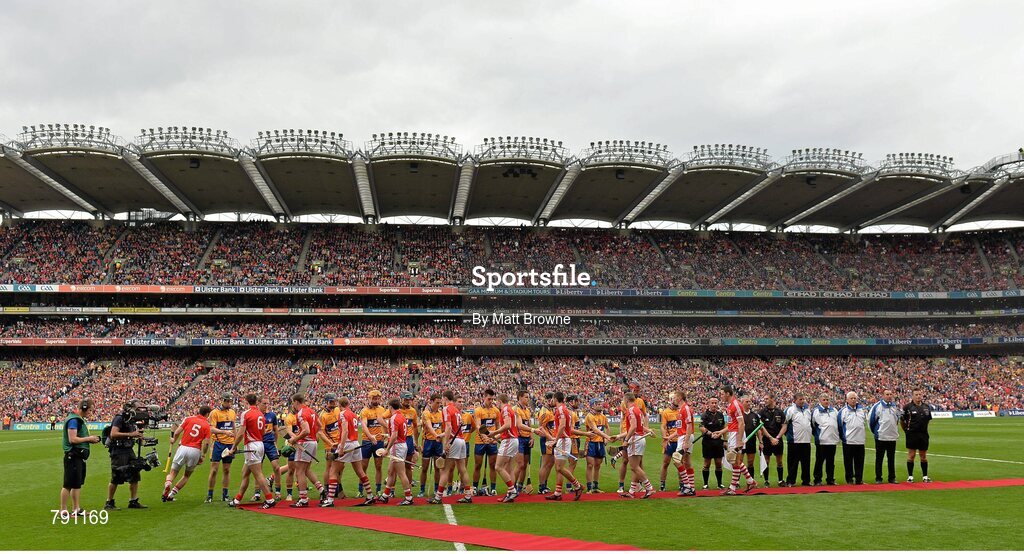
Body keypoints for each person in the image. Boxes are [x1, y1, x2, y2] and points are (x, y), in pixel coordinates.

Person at [225, 394, 276, 509]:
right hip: (260, 443)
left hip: (251, 446)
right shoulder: (261, 414)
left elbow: (241, 433)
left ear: (246, 401)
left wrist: (233, 448)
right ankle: (237, 499)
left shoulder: (246, 414)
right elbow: (263, 432)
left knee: (258, 474)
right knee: (245, 473)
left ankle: (269, 499)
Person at [326, 397, 373, 506]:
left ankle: (330, 500)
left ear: (339, 405)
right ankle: (370, 495)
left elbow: (345, 430)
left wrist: (341, 447)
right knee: (360, 471)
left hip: (346, 443)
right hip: (355, 443)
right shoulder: (353, 414)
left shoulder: (342, 414)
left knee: (333, 471)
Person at [429, 390, 472, 504]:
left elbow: (448, 427)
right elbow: (454, 428)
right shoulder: (457, 410)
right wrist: (441, 435)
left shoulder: (446, 409)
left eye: (442, 399)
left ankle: (438, 497)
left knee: (445, 470)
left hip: (454, 441)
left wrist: (446, 443)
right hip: (461, 440)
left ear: (445, 398)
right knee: (462, 469)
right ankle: (468, 495)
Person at [162, 405, 212, 502]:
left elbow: (177, 432)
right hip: (195, 451)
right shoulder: (206, 425)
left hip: (183, 448)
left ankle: (168, 483)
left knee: (172, 473)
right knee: (186, 476)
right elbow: (206, 443)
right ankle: (171, 495)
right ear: (207, 414)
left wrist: (173, 440)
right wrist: (203, 455)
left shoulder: (188, 419)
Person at [61, 399, 100, 516]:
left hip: (78, 456)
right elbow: (72, 439)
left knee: (76, 484)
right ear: (83, 408)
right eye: (90, 410)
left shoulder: (78, 419)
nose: (91, 413)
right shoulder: (74, 420)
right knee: (68, 484)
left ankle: (76, 509)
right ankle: (63, 510)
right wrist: (89, 439)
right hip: (73, 455)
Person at [105, 400, 147, 510]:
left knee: (135, 475)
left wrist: (139, 436)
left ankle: (133, 501)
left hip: (128, 449)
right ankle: (109, 502)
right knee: (116, 477)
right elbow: (113, 434)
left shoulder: (132, 420)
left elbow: (134, 434)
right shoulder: (120, 418)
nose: (139, 411)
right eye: (137, 409)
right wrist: (131, 434)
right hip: (118, 450)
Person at [611, 392, 653, 498]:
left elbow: (633, 427)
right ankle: (632, 491)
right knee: (635, 467)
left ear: (626, 400)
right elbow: (635, 427)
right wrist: (618, 436)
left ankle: (649, 488)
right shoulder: (637, 409)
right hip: (639, 438)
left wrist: (625, 440)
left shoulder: (630, 410)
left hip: (635, 439)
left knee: (634, 467)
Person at [544, 391, 584, 501]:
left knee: (560, 468)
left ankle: (577, 486)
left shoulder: (561, 409)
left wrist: (555, 440)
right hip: (563, 439)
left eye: (552, 399)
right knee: (558, 468)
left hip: (563, 440)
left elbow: (562, 426)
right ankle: (557, 493)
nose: (551, 401)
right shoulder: (563, 409)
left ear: (555, 399)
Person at [493, 393, 531, 503]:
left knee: (498, 467)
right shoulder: (511, 410)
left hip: (509, 440)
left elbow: (507, 425)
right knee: (509, 468)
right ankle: (510, 493)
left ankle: (512, 490)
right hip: (514, 439)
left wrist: (494, 432)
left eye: (497, 402)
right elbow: (509, 428)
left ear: (499, 401)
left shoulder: (505, 410)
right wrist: (494, 437)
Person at [377, 398, 414, 506]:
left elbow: (394, 436)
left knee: (401, 473)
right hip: (402, 444)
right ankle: (385, 495)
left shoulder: (394, 418)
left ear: (390, 407)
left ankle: (408, 497)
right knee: (391, 472)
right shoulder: (402, 416)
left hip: (397, 446)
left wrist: (387, 450)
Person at [721, 386, 756, 495]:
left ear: (727, 393)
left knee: (733, 460)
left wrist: (739, 440)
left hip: (736, 434)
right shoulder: (730, 405)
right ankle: (749, 481)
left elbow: (741, 423)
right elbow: (732, 424)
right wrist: (721, 432)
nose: (721, 396)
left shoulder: (735, 404)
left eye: (722, 394)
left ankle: (733, 488)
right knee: (735, 461)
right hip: (733, 433)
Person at [287, 393, 320, 507]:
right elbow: (319, 426)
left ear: (296, 402)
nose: (293, 405)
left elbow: (305, 430)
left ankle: (303, 499)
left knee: (300, 471)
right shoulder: (312, 411)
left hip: (305, 443)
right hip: (313, 442)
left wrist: (294, 439)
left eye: (293, 403)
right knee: (306, 470)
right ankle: (321, 490)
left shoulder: (301, 413)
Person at [206, 393, 236, 503]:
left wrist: (235, 443)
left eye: (230, 401)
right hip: (218, 444)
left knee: (227, 470)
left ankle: (225, 494)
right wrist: (224, 432)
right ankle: (210, 495)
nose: (229, 403)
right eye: (227, 401)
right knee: (214, 470)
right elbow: (211, 429)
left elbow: (233, 427)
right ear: (222, 401)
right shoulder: (214, 413)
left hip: (229, 444)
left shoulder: (232, 412)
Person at [360, 390, 390, 497]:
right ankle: (361, 490)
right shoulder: (364, 411)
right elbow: (364, 425)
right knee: (363, 467)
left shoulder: (382, 409)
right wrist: (370, 437)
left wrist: (387, 437)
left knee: (379, 466)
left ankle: (378, 490)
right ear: (369, 398)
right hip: (367, 441)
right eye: (374, 398)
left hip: (379, 442)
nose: (376, 400)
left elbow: (386, 424)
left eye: (377, 398)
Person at [253, 397, 283, 501]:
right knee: (258, 469)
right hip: (259, 444)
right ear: (259, 403)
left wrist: (275, 442)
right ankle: (257, 493)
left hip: (270, 444)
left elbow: (276, 430)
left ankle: (278, 491)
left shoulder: (272, 415)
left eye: (267, 404)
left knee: (276, 467)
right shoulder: (256, 415)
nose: (266, 406)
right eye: (264, 403)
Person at [869, 389, 902, 484]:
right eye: (887, 394)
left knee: (891, 459)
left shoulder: (894, 406)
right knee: (879, 458)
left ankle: (892, 477)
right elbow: (871, 422)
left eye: (891, 394)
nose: (889, 396)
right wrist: (877, 432)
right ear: (883, 395)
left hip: (892, 437)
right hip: (881, 437)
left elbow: (897, 420)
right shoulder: (877, 406)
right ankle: (878, 478)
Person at [780, 393, 812, 487]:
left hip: (806, 441)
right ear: (795, 400)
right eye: (800, 399)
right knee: (793, 463)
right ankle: (791, 481)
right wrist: (789, 436)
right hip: (794, 441)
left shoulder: (807, 410)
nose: (802, 401)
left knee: (806, 463)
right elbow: (784, 424)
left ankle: (806, 481)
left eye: (803, 399)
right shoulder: (790, 410)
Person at [472, 389, 499, 496]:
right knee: (478, 465)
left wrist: (494, 438)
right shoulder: (478, 410)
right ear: (484, 397)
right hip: (480, 441)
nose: (491, 401)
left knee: (493, 465)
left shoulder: (496, 411)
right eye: (489, 399)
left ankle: (493, 488)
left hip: (492, 442)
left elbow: (498, 427)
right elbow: (478, 426)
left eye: (492, 399)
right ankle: (474, 487)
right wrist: (484, 437)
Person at [902, 389, 933, 483]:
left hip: (923, 435)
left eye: (920, 394)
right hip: (912, 434)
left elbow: (928, 420)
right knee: (911, 455)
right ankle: (910, 476)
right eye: (916, 394)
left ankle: (925, 476)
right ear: (912, 396)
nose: (918, 396)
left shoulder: (926, 407)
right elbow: (902, 421)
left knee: (923, 456)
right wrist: (906, 431)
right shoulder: (907, 407)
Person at [418, 393, 444, 498]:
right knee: (425, 468)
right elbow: (428, 426)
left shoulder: (441, 413)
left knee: (438, 467)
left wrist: (440, 437)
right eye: (437, 403)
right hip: (428, 442)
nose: (438, 405)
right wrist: (436, 435)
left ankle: (437, 489)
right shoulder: (426, 413)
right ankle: (422, 490)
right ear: (431, 401)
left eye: (440, 403)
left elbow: (443, 427)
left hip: (438, 443)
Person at [317, 394, 342, 502]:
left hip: (339, 443)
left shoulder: (337, 410)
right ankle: (327, 490)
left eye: (334, 402)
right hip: (330, 445)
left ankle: (337, 488)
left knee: (339, 467)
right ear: (326, 402)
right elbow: (321, 432)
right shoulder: (322, 415)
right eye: (331, 402)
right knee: (329, 468)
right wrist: (330, 443)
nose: (333, 404)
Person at [838, 391, 867, 485]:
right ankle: (849, 479)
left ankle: (859, 479)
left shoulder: (862, 410)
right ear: (847, 400)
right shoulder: (843, 411)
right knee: (848, 462)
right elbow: (839, 426)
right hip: (849, 441)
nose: (853, 400)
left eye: (855, 398)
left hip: (860, 440)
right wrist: (844, 438)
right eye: (851, 398)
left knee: (860, 461)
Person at [811, 394, 839, 486]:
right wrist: (818, 435)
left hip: (832, 440)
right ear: (820, 401)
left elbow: (838, 424)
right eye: (824, 400)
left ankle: (830, 479)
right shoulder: (816, 411)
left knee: (831, 461)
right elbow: (813, 425)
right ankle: (817, 479)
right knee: (820, 461)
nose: (826, 401)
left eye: (827, 399)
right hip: (822, 441)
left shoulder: (834, 410)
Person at [758, 395, 786, 487]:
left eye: (767, 398)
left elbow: (784, 426)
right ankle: (766, 481)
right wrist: (769, 438)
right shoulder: (762, 412)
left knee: (780, 461)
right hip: (767, 439)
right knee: (766, 460)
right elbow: (760, 427)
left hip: (778, 439)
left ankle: (780, 480)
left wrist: (777, 438)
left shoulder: (780, 412)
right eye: (764, 398)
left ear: (772, 399)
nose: (765, 400)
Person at [673, 391, 697, 496]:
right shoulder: (681, 410)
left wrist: (686, 441)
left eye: (674, 397)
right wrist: (670, 437)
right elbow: (681, 427)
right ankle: (691, 487)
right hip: (683, 436)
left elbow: (689, 425)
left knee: (676, 459)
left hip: (685, 437)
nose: (673, 399)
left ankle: (687, 486)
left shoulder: (685, 408)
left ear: (680, 397)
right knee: (687, 462)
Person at [584, 399, 611, 493]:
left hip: (600, 443)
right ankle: (589, 487)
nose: (600, 405)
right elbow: (595, 430)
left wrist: (606, 439)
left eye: (600, 403)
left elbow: (607, 428)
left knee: (598, 465)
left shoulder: (603, 416)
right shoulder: (589, 416)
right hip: (591, 442)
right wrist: (606, 436)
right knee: (590, 465)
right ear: (592, 406)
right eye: (598, 404)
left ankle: (595, 486)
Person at [699, 397, 726, 490]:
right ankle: (705, 484)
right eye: (712, 403)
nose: (714, 405)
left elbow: (724, 428)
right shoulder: (704, 415)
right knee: (707, 464)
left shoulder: (720, 415)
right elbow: (701, 427)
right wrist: (711, 434)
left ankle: (720, 483)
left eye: (716, 403)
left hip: (718, 442)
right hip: (707, 442)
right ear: (709, 404)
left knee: (719, 463)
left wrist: (725, 440)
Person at [513, 390, 534, 493]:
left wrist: (532, 437)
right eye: (526, 397)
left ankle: (520, 486)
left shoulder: (527, 410)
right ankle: (512, 487)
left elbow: (529, 424)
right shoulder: (516, 409)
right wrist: (532, 431)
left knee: (525, 464)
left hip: (527, 438)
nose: (528, 399)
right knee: (520, 464)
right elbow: (519, 425)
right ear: (520, 397)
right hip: (519, 438)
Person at [536, 392, 556, 494]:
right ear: (549, 400)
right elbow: (540, 428)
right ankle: (541, 486)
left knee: (551, 463)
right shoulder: (544, 412)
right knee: (545, 463)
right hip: (547, 440)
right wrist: (550, 438)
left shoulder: (550, 410)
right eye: (553, 399)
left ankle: (545, 484)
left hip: (551, 439)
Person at [659, 394, 680, 492]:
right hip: (670, 442)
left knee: (680, 463)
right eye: (675, 399)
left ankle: (682, 483)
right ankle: (662, 484)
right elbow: (663, 426)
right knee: (665, 463)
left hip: (679, 441)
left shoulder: (680, 411)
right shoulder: (666, 412)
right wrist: (665, 438)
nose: (677, 401)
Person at [398, 392, 419, 491]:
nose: (408, 402)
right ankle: (391, 490)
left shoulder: (413, 411)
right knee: (395, 465)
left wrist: (415, 441)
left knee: (408, 464)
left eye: (409, 400)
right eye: (406, 400)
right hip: (398, 439)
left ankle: (409, 489)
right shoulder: (396, 409)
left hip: (409, 439)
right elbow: (383, 419)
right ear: (401, 399)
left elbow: (415, 426)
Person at [740, 395, 762, 486]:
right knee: (739, 462)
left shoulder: (754, 415)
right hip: (741, 441)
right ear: (742, 403)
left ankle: (750, 482)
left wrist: (760, 442)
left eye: (750, 401)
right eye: (747, 402)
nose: (749, 403)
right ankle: (736, 482)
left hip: (751, 441)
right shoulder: (739, 415)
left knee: (750, 462)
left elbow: (758, 430)